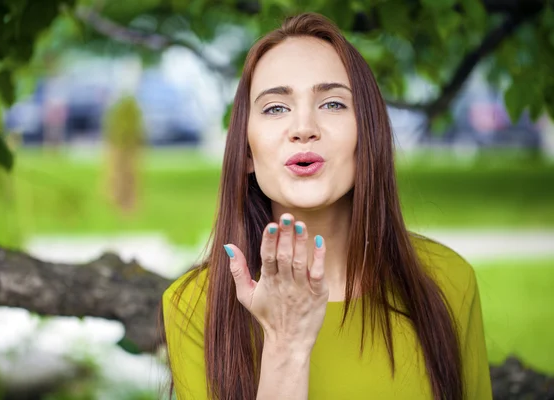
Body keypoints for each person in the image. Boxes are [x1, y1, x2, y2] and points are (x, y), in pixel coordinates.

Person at [161, 12, 492, 400]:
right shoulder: (193, 306)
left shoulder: (449, 281)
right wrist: (286, 344)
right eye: (275, 108)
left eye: (333, 104)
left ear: (367, 136)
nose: (304, 127)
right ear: (246, 152)